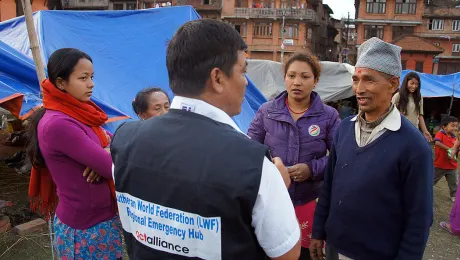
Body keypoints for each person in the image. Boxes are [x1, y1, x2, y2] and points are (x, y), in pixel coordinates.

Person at [111, 19, 301, 259]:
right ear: (218, 79)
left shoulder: (124, 140)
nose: (245, 82)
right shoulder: (253, 165)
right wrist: (277, 189)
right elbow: (288, 254)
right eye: (242, 71)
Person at [310, 37, 433, 260]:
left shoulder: (414, 146)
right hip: (335, 248)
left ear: (394, 84)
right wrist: (318, 231)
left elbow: (419, 218)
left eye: (369, 80)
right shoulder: (344, 129)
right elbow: (329, 187)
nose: (359, 89)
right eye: (356, 80)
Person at [26, 48, 123, 259]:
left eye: (92, 77)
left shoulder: (79, 114)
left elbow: (113, 142)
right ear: (61, 83)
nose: (92, 83)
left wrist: (103, 152)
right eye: (83, 78)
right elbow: (110, 167)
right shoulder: (59, 124)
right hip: (85, 231)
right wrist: (103, 159)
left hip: (100, 222)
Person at [248, 51, 340, 259]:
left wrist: (312, 169)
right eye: (291, 75)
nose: (297, 82)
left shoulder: (329, 116)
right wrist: (273, 170)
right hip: (272, 201)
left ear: (315, 81)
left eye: (305, 77)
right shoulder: (266, 112)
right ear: (285, 78)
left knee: (307, 254)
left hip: (310, 200)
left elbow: (340, 157)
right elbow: (249, 150)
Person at [392, 72, 432, 142]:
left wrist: (425, 131)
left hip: (414, 130)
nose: (414, 86)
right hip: (400, 130)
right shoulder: (398, 96)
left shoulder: (419, 97)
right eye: (412, 83)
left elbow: (420, 116)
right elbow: (390, 113)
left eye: (416, 84)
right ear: (406, 83)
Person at [433, 116, 459, 202]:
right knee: (431, 180)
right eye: (452, 126)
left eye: (456, 126)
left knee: (454, 183)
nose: (455, 128)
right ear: (444, 126)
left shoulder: (455, 138)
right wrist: (449, 149)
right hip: (440, 165)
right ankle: (424, 191)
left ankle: (454, 195)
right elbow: (437, 143)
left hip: (452, 166)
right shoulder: (440, 134)